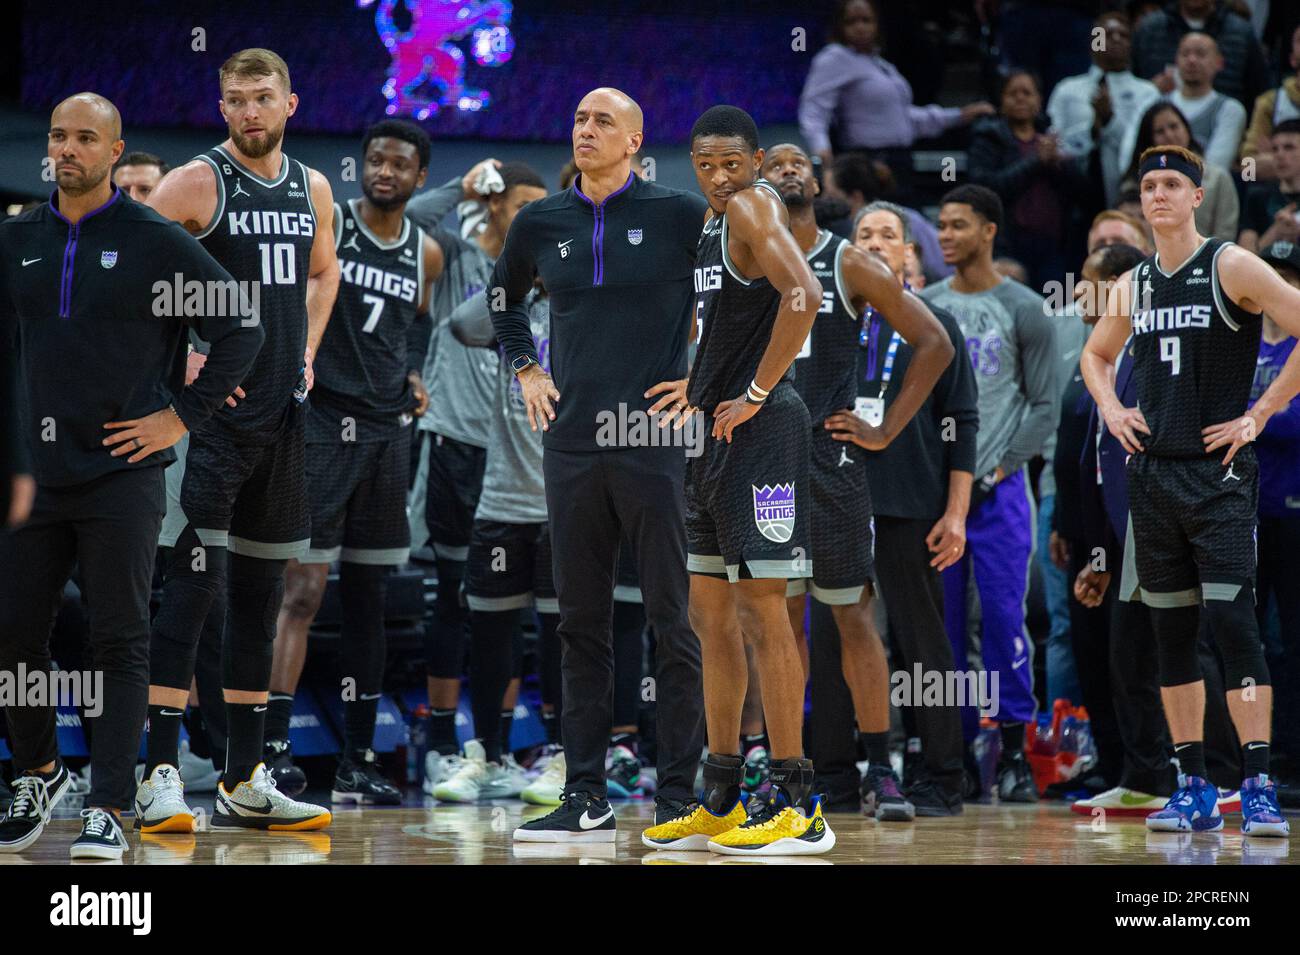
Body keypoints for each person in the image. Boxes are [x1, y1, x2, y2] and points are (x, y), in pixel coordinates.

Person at [0, 92, 263, 858]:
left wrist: (179, 418)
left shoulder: (153, 238)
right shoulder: (18, 238)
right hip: (32, 477)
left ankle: (111, 804)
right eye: (57, 136)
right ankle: (40, 770)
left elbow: (241, 327)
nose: (68, 149)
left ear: (116, 151)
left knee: (120, 638)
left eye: (86, 137)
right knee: (14, 635)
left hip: (122, 471)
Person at [490, 88, 707, 843]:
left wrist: (705, 378)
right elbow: (502, 298)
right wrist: (526, 367)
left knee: (671, 621)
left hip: (654, 443)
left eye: (602, 121)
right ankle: (585, 793)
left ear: (636, 139)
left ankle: (679, 796)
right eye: (579, 119)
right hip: (572, 444)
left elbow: (751, 293)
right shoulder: (539, 220)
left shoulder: (682, 215)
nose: (586, 130)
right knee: (579, 623)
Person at [140, 48, 339, 832]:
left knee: (259, 597)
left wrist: (308, 350)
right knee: (190, 592)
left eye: (263, 97)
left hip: (282, 419)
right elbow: (128, 271)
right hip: (212, 420)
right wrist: (179, 348)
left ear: (290, 103)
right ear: (221, 109)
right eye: (235, 99)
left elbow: (324, 273)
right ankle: (158, 770)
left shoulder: (314, 187)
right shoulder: (196, 182)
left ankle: (242, 776)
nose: (249, 111)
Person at [1080, 142, 1300, 836]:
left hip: (1219, 477)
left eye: (1172, 183)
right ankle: (1193, 783)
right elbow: (1095, 353)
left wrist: (1260, 413)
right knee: (1170, 635)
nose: (1158, 195)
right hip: (1153, 475)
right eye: (1148, 185)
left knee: (1234, 628)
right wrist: (1113, 408)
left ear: (1198, 195)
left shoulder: (1229, 264)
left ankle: (1258, 783)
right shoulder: (1134, 282)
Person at [640, 106, 828, 856]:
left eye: (730, 162)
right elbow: (732, 319)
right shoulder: (715, 224)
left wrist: (752, 390)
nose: (718, 176)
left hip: (764, 432)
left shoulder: (753, 205)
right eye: (705, 164)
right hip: (718, 436)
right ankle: (720, 793)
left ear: (755, 160)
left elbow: (804, 295)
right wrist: (702, 382)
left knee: (762, 614)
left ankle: (798, 803)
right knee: (707, 614)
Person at [762, 145, 952, 822]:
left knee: (853, 618)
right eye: (774, 161)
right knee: (778, 622)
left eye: (798, 162)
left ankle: (882, 767)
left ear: (816, 182)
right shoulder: (744, 255)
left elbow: (935, 342)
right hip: (765, 465)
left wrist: (884, 429)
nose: (788, 168)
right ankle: (784, 767)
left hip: (832, 464)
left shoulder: (848, 261)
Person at [265, 119, 442, 807]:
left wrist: (418, 371)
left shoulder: (425, 252)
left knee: (372, 598)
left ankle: (359, 758)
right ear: (361, 166)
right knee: (302, 590)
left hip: (387, 435)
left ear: (419, 176)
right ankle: (273, 749)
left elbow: (418, 325)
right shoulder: (332, 222)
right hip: (321, 424)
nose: (385, 171)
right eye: (375, 160)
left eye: (399, 163)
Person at [404, 161, 547, 791]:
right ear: (495, 206)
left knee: (526, 614)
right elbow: (403, 223)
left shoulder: (556, 285)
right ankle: (447, 741)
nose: (535, 220)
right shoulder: (462, 256)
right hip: (462, 446)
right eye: (522, 206)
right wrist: (462, 188)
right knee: (460, 599)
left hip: (530, 462)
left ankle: (516, 751)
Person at [920, 184, 1059, 802]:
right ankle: (949, 757)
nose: (945, 235)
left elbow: (1046, 405)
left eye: (957, 226)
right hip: (935, 494)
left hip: (999, 493)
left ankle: (1015, 752)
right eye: (941, 226)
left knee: (1005, 621)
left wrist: (1000, 470)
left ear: (989, 230)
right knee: (942, 629)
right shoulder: (922, 305)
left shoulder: (1026, 307)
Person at [849, 200, 978, 815]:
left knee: (923, 644)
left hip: (912, 501)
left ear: (908, 254)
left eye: (889, 236)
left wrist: (955, 514)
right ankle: (839, 775)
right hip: (838, 500)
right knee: (839, 638)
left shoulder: (938, 323)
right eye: (864, 234)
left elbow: (963, 423)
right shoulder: (826, 319)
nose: (876, 243)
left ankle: (942, 775)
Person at [434, 284, 556, 805]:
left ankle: (565, 759)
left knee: (561, 637)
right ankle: (487, 756)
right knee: (489, 634)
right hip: (500, 500)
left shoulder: (587, 304)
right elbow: (462, 324)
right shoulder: (514, 311)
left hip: (562, 503)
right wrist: (517, 278)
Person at [798, 0, 993, 203]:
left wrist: (960, 115)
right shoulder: (834, 59)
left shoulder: (881, 64)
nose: (860, 27)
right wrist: (822, 151)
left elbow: (905, 116)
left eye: (866, 20)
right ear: (840, 26)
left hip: (900, 160)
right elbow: (814, 110)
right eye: (851, 21)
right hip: (867, 162)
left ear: (877, 25)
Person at [968, 70, 1094, 293]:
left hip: (1053, 246)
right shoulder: (988, 138)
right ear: (1002, 101)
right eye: (1012, 93)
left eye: (1027, 93)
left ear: (1039, 100)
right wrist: (1035, 161)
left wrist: (1060, 165)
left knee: (1053, 312)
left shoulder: (1053, 140)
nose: (1020, 98)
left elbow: (1084, 194)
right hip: (1008, 245)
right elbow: (986, 190)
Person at [1252, 241, 1300, 771]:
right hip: (1246, 512)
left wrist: (1250, 419)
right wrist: (1266, 413)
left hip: (1293, 513)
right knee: (1252, 638)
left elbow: (1293, 424)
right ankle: (1257, 757)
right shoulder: (1243, 343)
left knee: (1291, 638)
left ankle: (1291, 752)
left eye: (1292, 277)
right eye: (1275, 277)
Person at [1048, 10, 1162, 207]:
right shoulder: (1068, 90)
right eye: (1107, 34)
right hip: (1074, 192)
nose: (1116, 39)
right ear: (1095, 42)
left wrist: (1110, 121)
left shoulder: (1147, 92)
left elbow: (1145, 143)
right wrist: (1091, 132)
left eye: (1123, 35)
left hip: (1128, 188)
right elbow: (1056, 142)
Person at [1121, 101, 1240, 241]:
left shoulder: (1218, 178)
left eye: (1174, 126)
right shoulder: (1134, 183)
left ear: (1186, 129)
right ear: (1149, 139)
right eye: (1160, 131)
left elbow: (1225, 233)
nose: (1169, 135)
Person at [1129, 0, 1272, 109]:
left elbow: (1260, 94)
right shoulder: (1150, 29)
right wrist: (1150, 90)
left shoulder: (1241, 33)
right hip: (1160, 132)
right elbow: (1128, 85)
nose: (1192, 60)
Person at [1168, 32, 1249, 172]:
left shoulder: (1229, 109)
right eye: (1185, 54)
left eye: (1200, 54)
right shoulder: (1154, 103)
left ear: (1219, 63)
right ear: (1176, 61)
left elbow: (1214, 169)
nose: (1191, 60)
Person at [1239, 23, 1300, 181]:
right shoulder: (1270, 102)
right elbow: (1248, 171)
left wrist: (1274, 157)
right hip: (1276, 195)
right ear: (1292, 59)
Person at [1237, 118, 1300, 251]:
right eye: (1274, 149)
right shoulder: (1257, 196)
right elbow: (1245, 258)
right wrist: (1275, 232)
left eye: (1289, 148)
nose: (1279, 155)